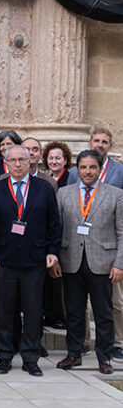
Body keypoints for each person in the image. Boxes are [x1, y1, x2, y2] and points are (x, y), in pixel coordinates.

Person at [0, 145, 61, 377]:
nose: (17, 164)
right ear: (6, 163)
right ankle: (4, 357)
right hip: (5, 261)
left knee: (33, 312)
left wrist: (52, 251)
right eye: (13, 160)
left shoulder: (44, 189)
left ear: (30, 162)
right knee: (5, 313)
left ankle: (30, 357)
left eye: (21, 160)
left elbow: (54, 224)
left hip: (35, 260)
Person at [56, 149, 123, 375]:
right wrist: (54, 257)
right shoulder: (64, 193)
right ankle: (74, 354)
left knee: (103, 312)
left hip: (103, 261)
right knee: (74, 312)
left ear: (100, 168)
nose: (87, 171)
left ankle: (104, 357)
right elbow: (57, 229)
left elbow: (122, 232)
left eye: (92, 167)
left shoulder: (115, 194)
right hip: (71, 260)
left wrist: (119, 263)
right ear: (77, 168)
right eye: (83, 167)